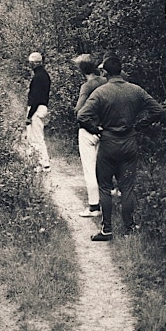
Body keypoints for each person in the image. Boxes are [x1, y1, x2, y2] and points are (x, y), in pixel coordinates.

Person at [77, 55, 165, 241]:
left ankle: (106, 230)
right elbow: (158, 110)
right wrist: (139, 125)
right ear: (120, 70)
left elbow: (82, 115)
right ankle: (129, 227)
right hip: (129, 143)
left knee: (105, 187)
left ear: (105, 72)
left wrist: (96, 129)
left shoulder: (101, 92)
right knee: (127, 188)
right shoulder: (135, 90)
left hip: (108, 143)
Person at [73, 55, 106, 217]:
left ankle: (94, 206)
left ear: (82, 70)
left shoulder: (87, 86)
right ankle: (107, 201)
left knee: (89, 168)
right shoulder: (105, 82)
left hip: (89, 130)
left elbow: (79, 111)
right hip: (106, 129)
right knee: (103, 167)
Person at [26, 52, 51, 170]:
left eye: (31, 63)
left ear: (35, 63)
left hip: (37, 108)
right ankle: (37, 162)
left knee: (36, 137)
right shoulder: (44, 75)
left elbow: (36, 98)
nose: (30, 65)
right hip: (42, 107)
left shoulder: (38, 77)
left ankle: (44, 163)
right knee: (35, 136)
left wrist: (29, 115)